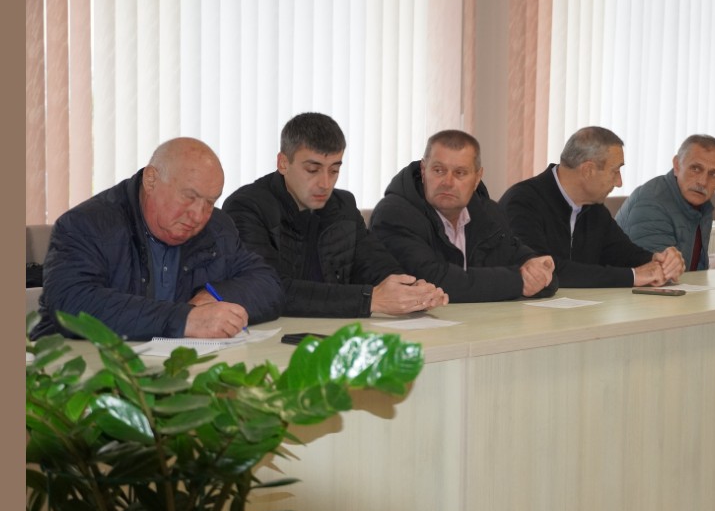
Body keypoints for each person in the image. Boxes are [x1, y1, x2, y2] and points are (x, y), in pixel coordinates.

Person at [31, 137, 284, 341]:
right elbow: (72, 302)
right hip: (83, 369)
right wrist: (185, 319)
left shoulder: (217, 228)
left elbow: (268, 285)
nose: (199, 215)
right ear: (151, 180)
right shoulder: (86, 224)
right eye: (189, 196)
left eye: (210, 202)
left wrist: (213, 295)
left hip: (178, 368)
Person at [222, 112, 448, 318]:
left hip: (336, 333)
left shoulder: (343, 206)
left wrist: (413, 292)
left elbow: (377, 266)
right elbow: (267, 289)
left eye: (334, 170)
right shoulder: (246, 207)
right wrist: (370, 300)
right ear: (283, 163)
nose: (325, 183)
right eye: (312, 170)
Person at [369, 130, 557, 302]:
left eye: (460, 173)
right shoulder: (394, 214)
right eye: (438, 170)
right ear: (423, 171)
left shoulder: (489, 213)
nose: (448, 182)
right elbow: (434, 280)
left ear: (477, 178)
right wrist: (519, 281)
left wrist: (538, 273)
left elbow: (543, 272)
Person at [498, 126, 685, 287]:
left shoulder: (593, 208)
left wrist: (661, 262)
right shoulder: (522, 202)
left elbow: (624, 254)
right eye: (615, 171)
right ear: (588, 170)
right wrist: (633, 276)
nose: (619, 182)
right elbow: (543, 270)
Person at [615, 134, 715, 271]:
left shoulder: (702, 206)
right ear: (677, 165)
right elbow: (659, 274)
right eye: (695, 168)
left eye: (713, 174)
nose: (703, 182)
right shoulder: (651, 204)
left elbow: (696, 271)